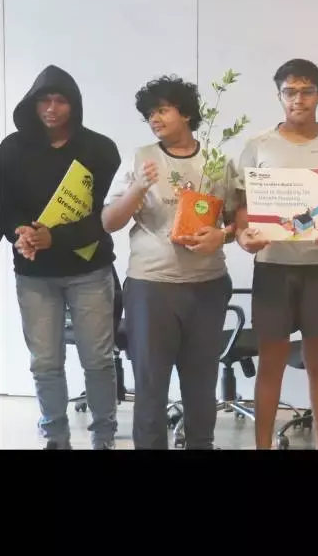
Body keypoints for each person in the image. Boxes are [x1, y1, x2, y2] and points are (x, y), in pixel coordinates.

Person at [234, 59, 318, 450]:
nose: (298, 99)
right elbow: (242, 207)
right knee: (270, 365)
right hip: (272, 267)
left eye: (307, 91)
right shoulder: (258, 145)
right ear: (279, 96)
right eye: (290, 92)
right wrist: (243, 235)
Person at [101, 76, 235, 450]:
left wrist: (222, 235)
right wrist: (137, 188)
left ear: (186, 113)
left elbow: (238, 221)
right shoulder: (141, 158)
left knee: (201, 382)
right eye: (149, 114)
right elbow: (109, 221)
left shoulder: (217, 160)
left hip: (207, 285)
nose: (155, 119)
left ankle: (201, 444)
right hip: (152, 286)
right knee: (150, 383)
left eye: (162, 110)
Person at [0, 64, 122, 450]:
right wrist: (20, 232)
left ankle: (104, 437)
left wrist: (55, 237)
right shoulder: (12, 148)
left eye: (60, 101)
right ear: (32, 104)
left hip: (89, 271)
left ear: (75, 105)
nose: (51, 108)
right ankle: (55, 436)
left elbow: (104, 216)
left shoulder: (100, 149)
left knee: (98, 359)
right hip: (34, 272)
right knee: (45, 361)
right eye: (44, 100)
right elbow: (5, 205)